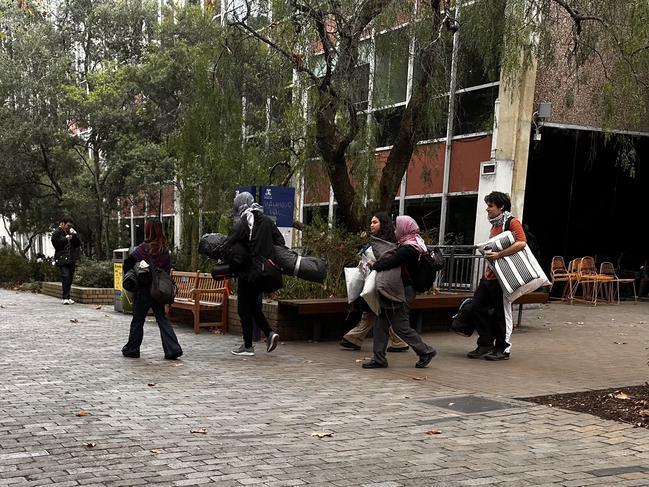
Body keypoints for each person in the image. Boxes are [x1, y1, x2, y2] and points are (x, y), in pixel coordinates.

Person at [362, 215, 437, 369]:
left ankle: (425, 351)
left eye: (398, 227)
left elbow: (390, 262)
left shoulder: (409, 249)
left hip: (402, 291)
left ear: (404, 228)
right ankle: (379, 358)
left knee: (400, 325)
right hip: (397, 289)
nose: (395, 230)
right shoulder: (414, 244)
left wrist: (374, 264)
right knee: (381, 323)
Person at [468, 191, 527, 361]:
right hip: (489, 276)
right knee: (477, 307)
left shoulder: (511, 222)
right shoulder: (495, 225)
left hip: (504, 277)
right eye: (487, 205)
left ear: (501, 207)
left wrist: (499, 255)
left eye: (490, 206)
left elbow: (522, 242)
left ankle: (503, 348)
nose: (487, 209)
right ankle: (485, 343)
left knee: (502, 313)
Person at [340, 211, 409, 352]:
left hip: (382, 283)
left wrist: (372, 263)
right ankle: (398, 341)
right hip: (374, 281)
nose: (371, 225)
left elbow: (386, 261)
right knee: (377, 312)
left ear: (383, 224)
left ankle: (355, 338)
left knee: (375, 312)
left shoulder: (388, 242)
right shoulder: (377, 240)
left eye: (375, 222)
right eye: (371, 222)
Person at [224, 192, 282, 356]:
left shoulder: (244, 222)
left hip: (247, 273)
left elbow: (229, 242)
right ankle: (270, 333)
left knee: (243, 308)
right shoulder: (268, 221)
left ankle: (248, 346)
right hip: (263, 272)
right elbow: (280, 242)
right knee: (253, 306)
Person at [121, 220, 183, 360]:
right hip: (158, 291)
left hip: (144, 290)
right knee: (162, 319)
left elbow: (127, 264)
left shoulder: (143, 248)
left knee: (138, 321)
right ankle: (172, 349)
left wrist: (137, 271)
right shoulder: (164, 250)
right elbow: (166, 272)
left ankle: (132, 349)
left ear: (148, 231)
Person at [51, 217, 81, 305]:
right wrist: (65, 238)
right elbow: (56, 244)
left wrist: (74, 236)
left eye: (70, 226)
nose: (69, 227)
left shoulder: (69, 232)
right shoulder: (57, 232)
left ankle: (68, 296)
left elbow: (77, 244)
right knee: (66, 276)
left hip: (71, 257)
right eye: (68, 225)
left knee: (70, 277)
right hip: (62, 258)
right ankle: (65, 297)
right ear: (62, 224)